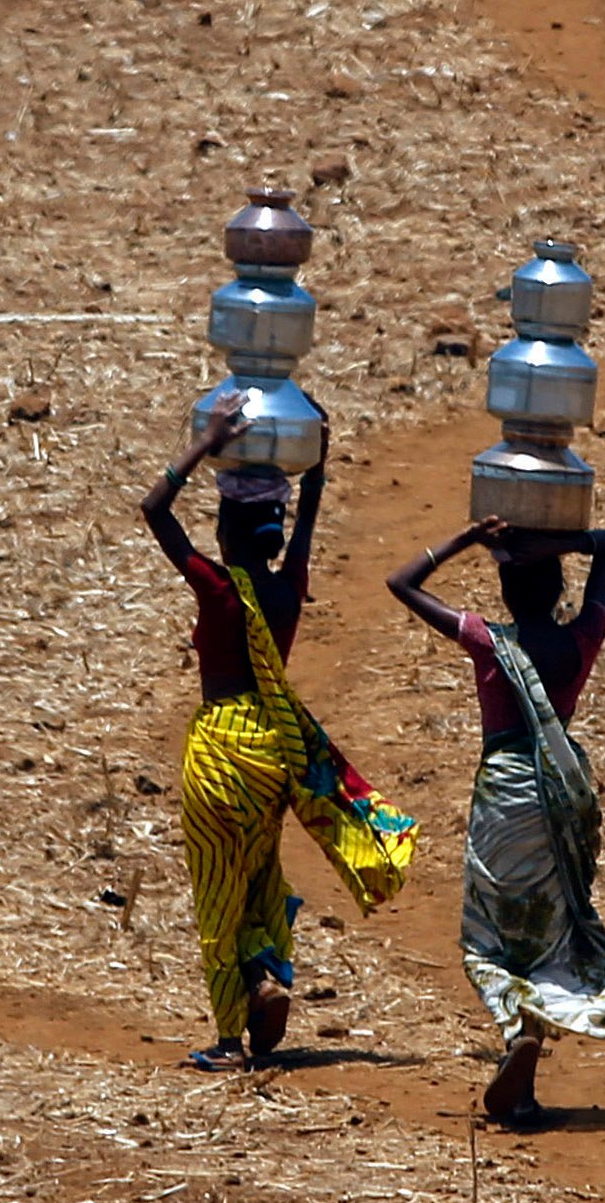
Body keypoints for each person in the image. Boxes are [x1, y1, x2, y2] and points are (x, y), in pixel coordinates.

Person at [141, 403, 416, 1072]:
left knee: (217, 886)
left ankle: (228, 1038)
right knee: (260, 868)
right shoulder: (288, 591)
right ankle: (265, 972)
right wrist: (316, 464)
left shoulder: (218, 589)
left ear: (225, 533)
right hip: (272, 752)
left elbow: (154, 511)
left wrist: (205, 443)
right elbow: (308, 526)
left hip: (220, 748)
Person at [386, 517, 605, 1124]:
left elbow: (402, 582)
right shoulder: (582, 641)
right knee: (548, 928)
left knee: (487, 939)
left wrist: (466, 537)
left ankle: (514, 1027)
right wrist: (562, 542)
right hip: (560, 796)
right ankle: (525, 1066)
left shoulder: (489, 642)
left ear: (505, 595)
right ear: (556, 591)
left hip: (503, 798)